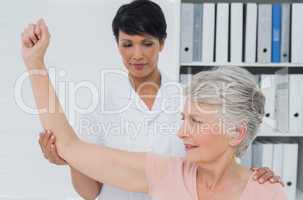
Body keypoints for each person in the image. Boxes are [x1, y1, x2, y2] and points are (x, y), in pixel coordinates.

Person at [21, 0, 283, 200]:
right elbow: (77, 157)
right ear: (117, 45)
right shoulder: (166, 171)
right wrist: (35, 64)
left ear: (162, 44)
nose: (137, 55)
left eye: (146, 43)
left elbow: (223, 153)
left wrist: (255, 180)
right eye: (127, 44)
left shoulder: (191, 97)